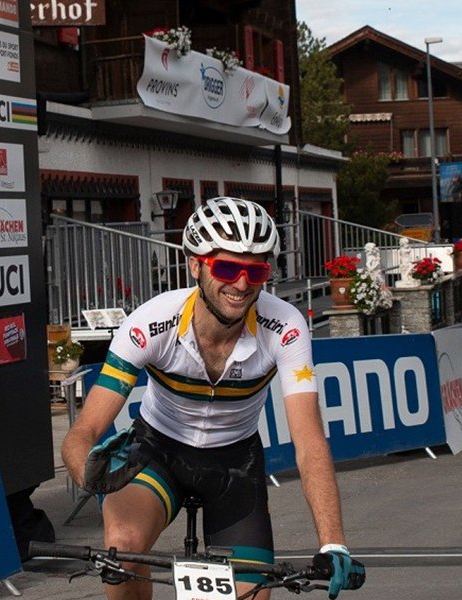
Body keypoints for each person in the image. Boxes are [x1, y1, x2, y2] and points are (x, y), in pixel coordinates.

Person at [62, 197, 365, 600]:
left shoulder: (285, 327)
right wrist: (90, 474)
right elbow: (84, 430)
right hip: (157, 450)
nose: (241, 285)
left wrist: (333, 542)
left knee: (253, 593)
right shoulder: (150, 324)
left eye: (255, 271)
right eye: (226, 268)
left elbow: (309, 441)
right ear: (195, 264)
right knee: (123, 547)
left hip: (235, 463)